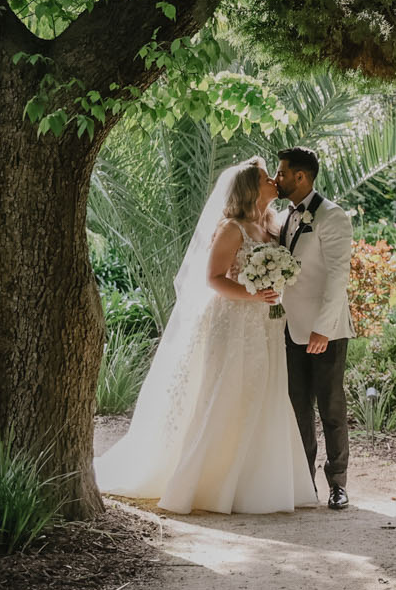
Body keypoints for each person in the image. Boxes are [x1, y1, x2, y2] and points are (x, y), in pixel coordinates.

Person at [94, 157, 316, 514]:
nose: (273, 180)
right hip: (233, 323)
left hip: (266, 325)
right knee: (227, 393)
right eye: (265, 178)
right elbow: (213, 279)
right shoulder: (232, 228)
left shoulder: (273, 226)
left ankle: (254, 483)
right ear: (250, 188)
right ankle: (212, 483)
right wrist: (253, 294)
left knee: (263, 393)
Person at [273, 146, 356, 510]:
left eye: (282, 173)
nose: (277, 178)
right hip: (291, 329)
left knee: (331, 409)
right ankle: (305, 483)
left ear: (301, 176)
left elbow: (338, 276)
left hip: (327, 332)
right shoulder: (285, 217)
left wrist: (323, 328)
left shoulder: (332, 216)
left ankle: (338, 483)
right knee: (299, 409)